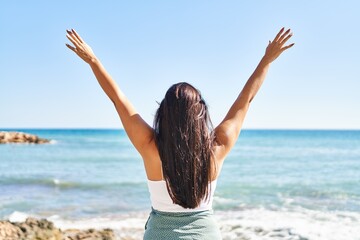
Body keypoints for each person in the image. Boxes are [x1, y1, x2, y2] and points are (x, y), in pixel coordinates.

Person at [66, 27, 294, 239]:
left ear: (163, 113)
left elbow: (118, 100)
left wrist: (93, 61)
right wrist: (267, 60)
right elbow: (246, 101)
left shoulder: (149, 145)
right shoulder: (217, 147)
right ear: (201, 113)